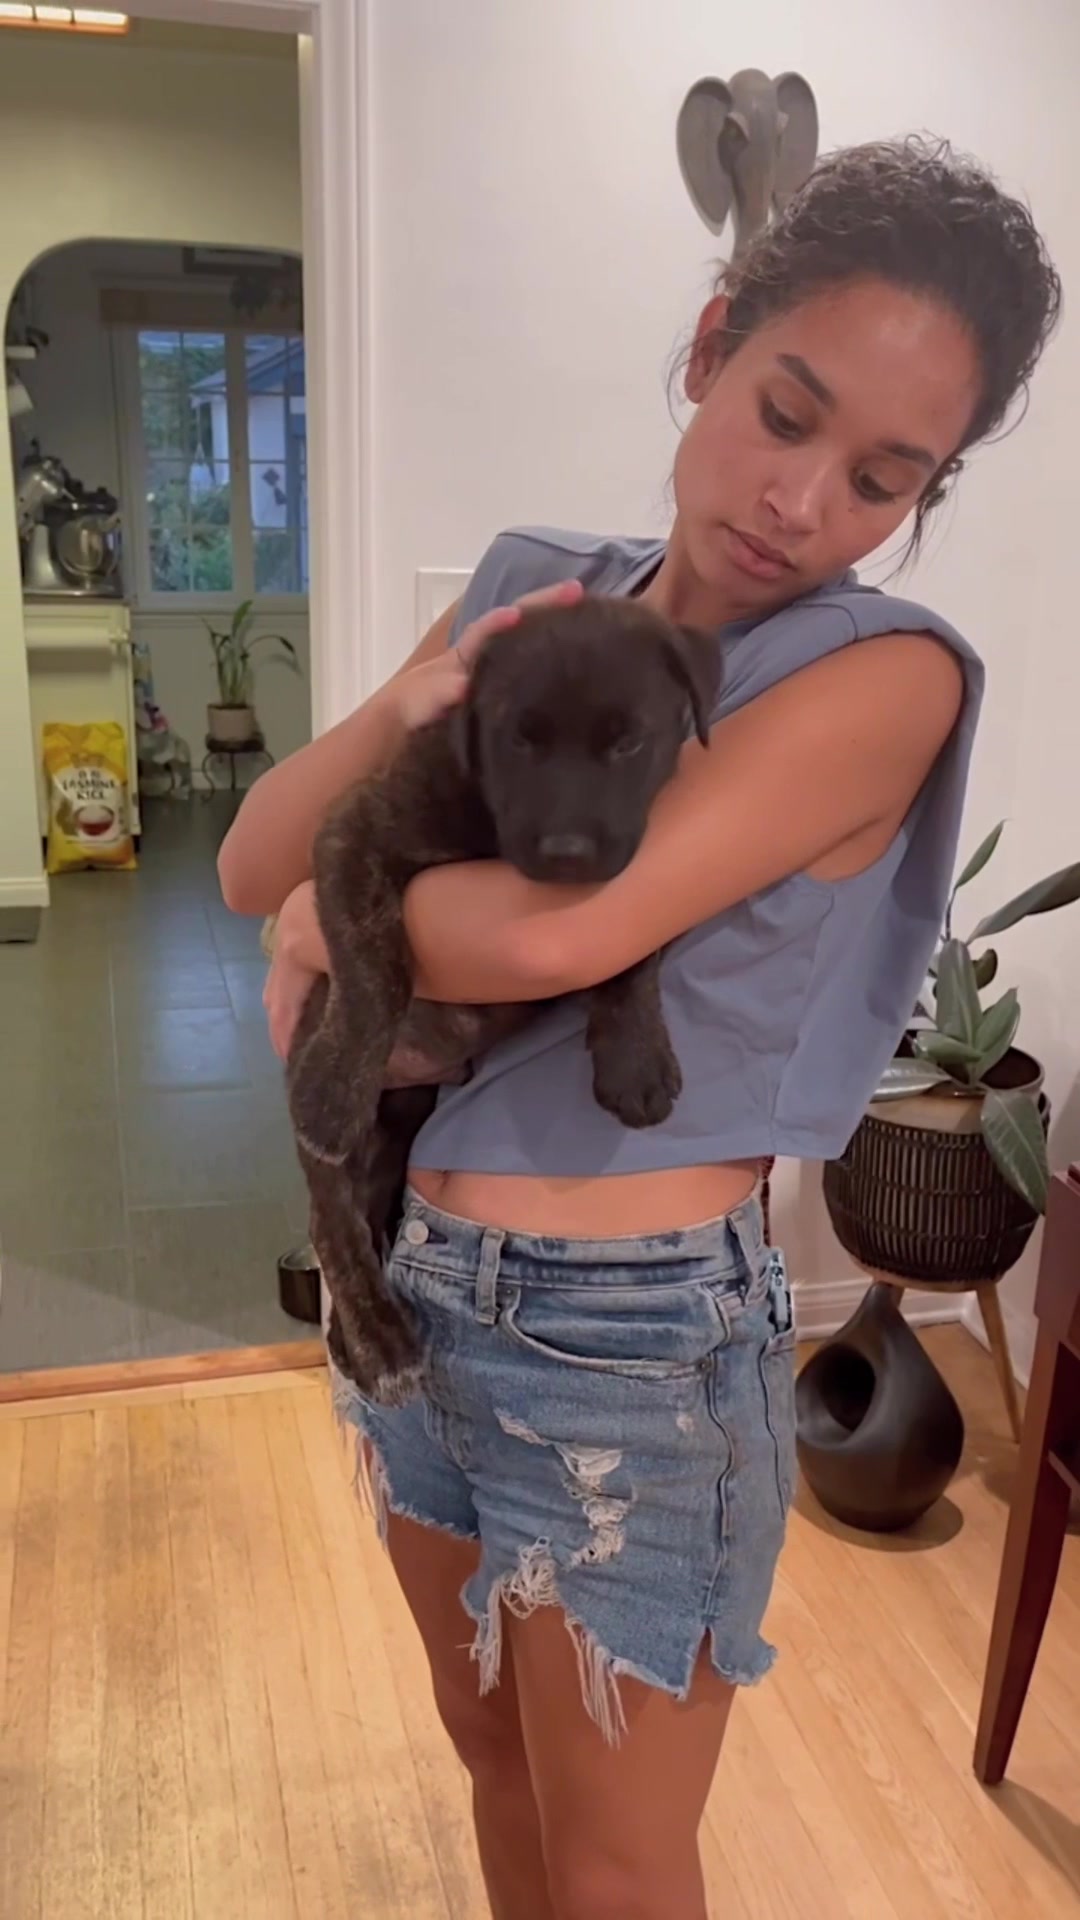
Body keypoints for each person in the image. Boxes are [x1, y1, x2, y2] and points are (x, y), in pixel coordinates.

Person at [219, 137, 1059, 1920]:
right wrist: (430, 693)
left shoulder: (881, 676)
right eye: (785, 412)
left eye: (882, 477)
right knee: (494, 1765)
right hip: (415, 1276)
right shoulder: (536, 579)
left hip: (635, 1341)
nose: (801, 500)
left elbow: (570, 925)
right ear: (710, 347)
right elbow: (247, 855)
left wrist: (327, 918)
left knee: (615, 1864)